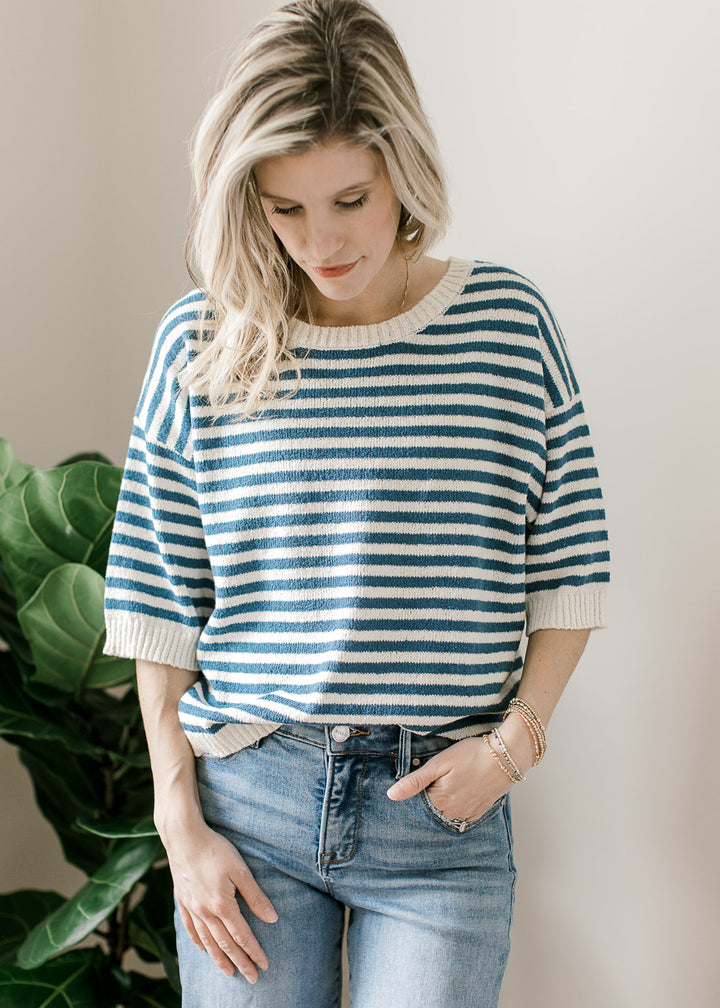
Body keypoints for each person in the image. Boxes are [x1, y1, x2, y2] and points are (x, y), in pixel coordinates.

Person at [102, 1, 610, 1005]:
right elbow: (156, 600)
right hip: (251, 806)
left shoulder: (506, 327)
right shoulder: (202, 342)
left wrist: (513, 747)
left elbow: (570, 567)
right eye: (284, 209)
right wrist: (181, 826)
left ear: (403, 175)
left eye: (351, 198)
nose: (321, 241)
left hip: (442, 822)